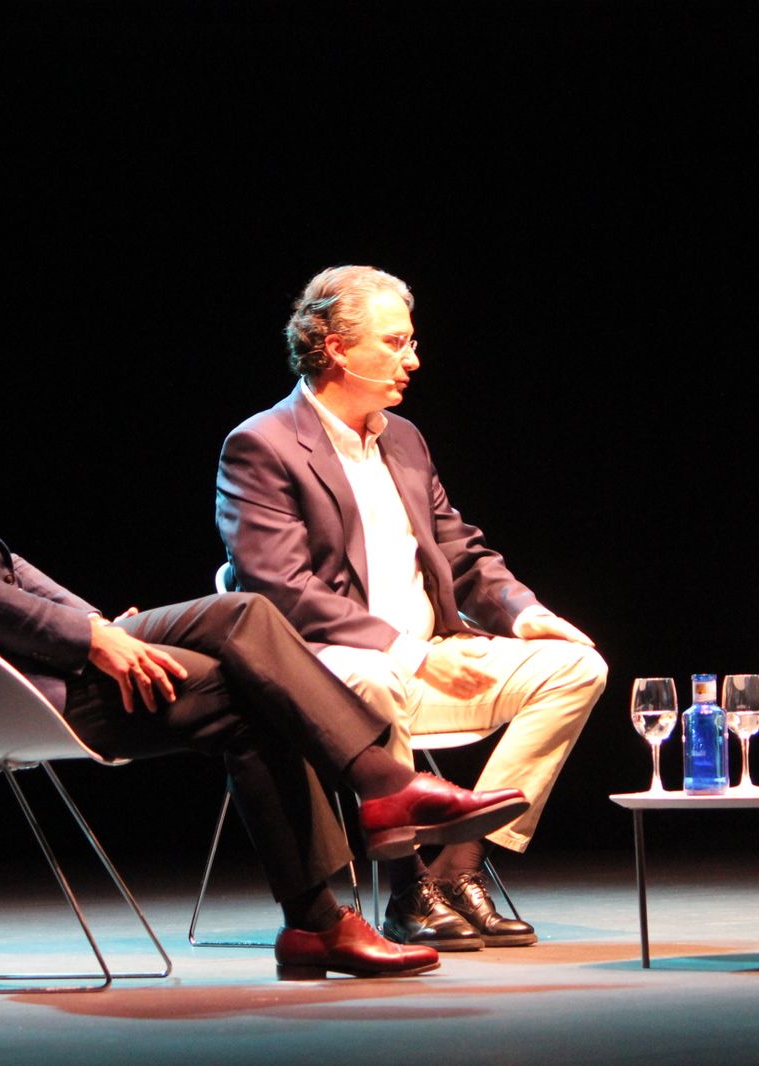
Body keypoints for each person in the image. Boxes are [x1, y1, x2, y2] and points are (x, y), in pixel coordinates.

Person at [0, 253, 531, 981]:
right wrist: (89, 638)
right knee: (245, 658)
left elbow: (2, 569)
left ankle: (336, 885)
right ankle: (361, 827)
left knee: (244, 634)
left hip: (37, 654)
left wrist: (96, 624)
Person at [216, 265, 607, 951]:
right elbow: (278, 590)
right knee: (376, 677)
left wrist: (523, 612)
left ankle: (460, 867)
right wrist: (410, 651)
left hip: (430, 661)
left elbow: (459, 547)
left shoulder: (404, 439)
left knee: (576, 666)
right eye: (396, 342)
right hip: (332, 678)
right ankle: (405, 889)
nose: (413, 358)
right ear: (337, 347)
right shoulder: (263, 445)